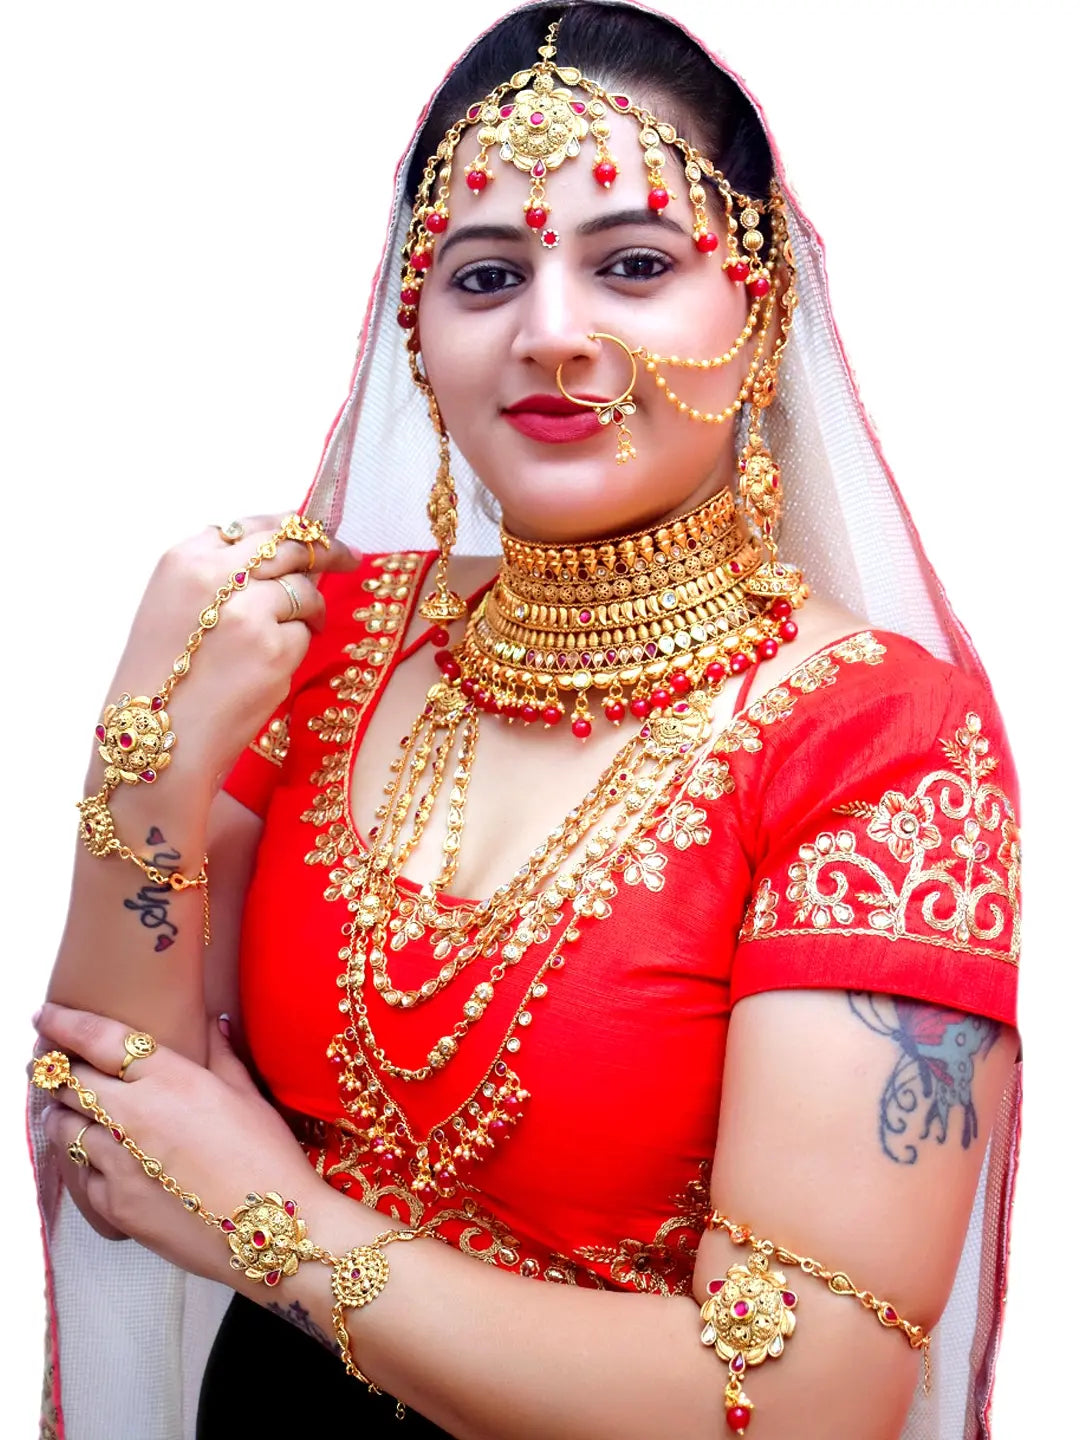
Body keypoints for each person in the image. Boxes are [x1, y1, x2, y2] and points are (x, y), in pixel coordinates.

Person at [30, 3, 1021, 1437]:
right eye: (486, 275)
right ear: (417, 333)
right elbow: (115, 1151)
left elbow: (809, 1398)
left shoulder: (879, 744)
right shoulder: (327, 639)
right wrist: (151, 749)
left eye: (634, 265)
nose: (552, 336)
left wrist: (275, 1224)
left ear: (760, 312)